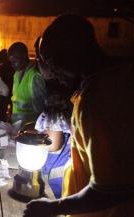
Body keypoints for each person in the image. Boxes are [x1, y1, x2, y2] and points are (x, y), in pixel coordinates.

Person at [24, 14, 134, 217]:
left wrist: (52, 207)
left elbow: (109, 191)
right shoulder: (113, 81)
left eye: (52, 61)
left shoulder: (98, 98)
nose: (53, 71)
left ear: (73, 52)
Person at [34, 81, 73, 199]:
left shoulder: (55, 117)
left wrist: (32, 141)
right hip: (55, 174)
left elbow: (52, 145)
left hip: (56, 180)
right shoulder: (53, 115)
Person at [8, 42, 46, 126]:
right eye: (11, 62)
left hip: (30, 128)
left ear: (24, 57)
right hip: (16, 125)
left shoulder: (35, 76)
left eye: (15, 62)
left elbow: (40, 108)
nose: (12, 65)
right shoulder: (16, 74)